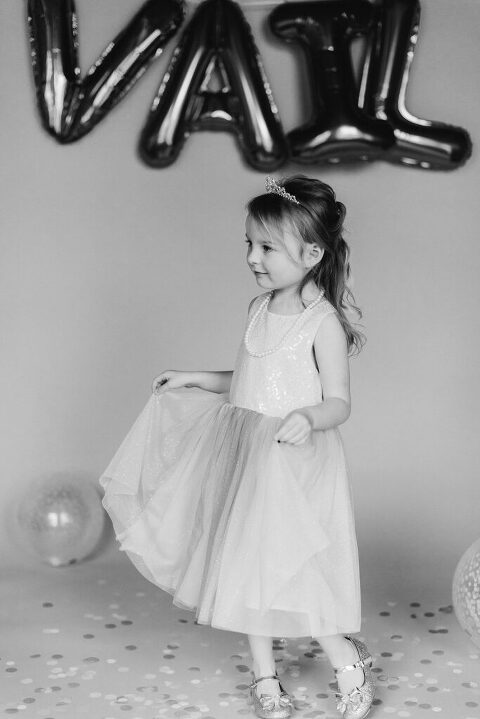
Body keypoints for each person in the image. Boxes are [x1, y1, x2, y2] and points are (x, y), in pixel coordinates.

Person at [99, 175, 375, 719]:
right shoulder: (258, 309)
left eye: (267, 247)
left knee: (297, 564)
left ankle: (346, 659)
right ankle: (264, 675)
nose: (252, 257)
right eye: (249, 243)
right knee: (245, 565)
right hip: (246, 451)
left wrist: (307, 417)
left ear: (312, 253)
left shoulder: (322, 324)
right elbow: (252, 378)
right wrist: (198, 378)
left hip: (294, 460)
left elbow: (339, 402)